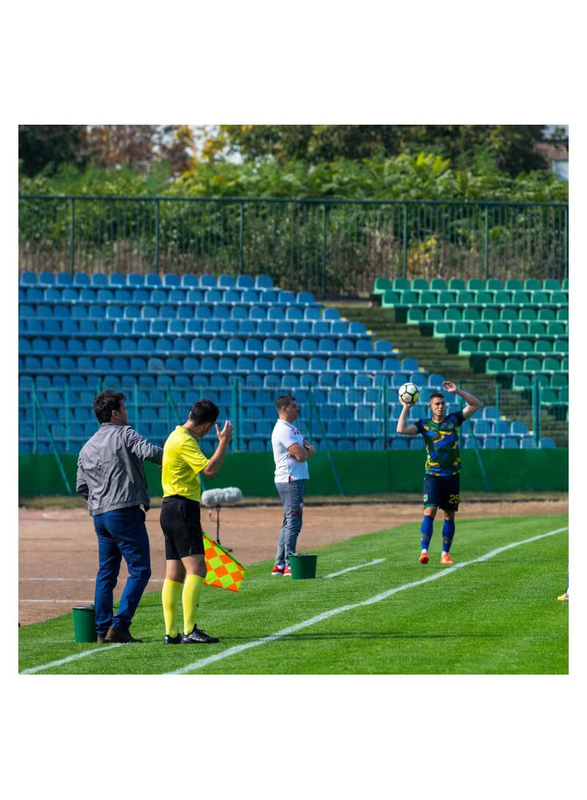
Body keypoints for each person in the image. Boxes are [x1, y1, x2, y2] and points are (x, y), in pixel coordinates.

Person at [76, 390, 163, 644]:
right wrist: (173, 456)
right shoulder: (126, 433)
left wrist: (99, 500)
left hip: (99, 516)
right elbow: (149, 452)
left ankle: (101, 631)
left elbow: (81, 486)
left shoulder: (87, 446)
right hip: (124, 511)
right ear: (114, 413)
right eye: (124, 409)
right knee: (140, 570)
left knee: (106, 573)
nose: (127, 413)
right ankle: (120, 625)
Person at [160, 399, 233, 645]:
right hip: (182, 509)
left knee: (174, 573)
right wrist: (223, 443)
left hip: (169, 508)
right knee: (197, 568)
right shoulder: (185, 441)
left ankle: (171, 633)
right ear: (208, 425)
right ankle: (190, 630)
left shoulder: (174, 435)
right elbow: (210, 471)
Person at [397, 380, 482, 565]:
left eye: (443, 403)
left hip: (452, 475)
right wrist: (406, 407)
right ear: (430, 407)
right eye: (437, 404)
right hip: (433, 474)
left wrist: (458, 391)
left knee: (449, 515)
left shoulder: (454, 419)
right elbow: (401, 429)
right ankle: (424, 551)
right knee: (430, 511)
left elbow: (476, 404)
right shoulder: (424, 425)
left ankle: (445, 553)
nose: (441, 407)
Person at [270, 395, 316, 576]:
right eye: (294, 406)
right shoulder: (283, 430)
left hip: (294, 478)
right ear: (284, 409)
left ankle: (280, 564)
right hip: (290, 479)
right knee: (294, 521)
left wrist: (305, 450)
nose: (298, 409)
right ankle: (289, 562)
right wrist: (304, 450)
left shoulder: (292, 428)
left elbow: (310, 450)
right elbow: (304, 454)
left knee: (289, 520)